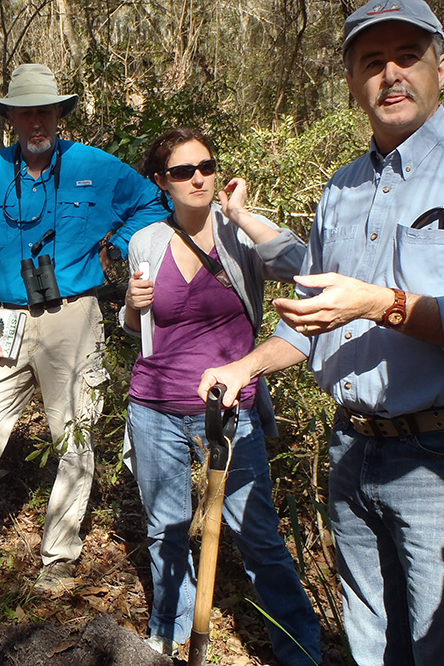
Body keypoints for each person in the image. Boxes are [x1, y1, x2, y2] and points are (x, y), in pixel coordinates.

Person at [199, 2, 444, 664]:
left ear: (441, 67)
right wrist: (245, 367)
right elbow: (312, 325)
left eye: (407, 55)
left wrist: (382, 304)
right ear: (353, 80)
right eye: (371, 60)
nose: (390, 73)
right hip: (351, 455)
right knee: (371, 649)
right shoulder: (344, 188)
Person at [0, 63, 167, 591]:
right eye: (26, 111)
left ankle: (59, 556)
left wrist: (119, 246)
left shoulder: (95, 166)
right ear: (12, 117)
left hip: (74, 315)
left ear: (59, 114)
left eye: (45, 110)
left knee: (74, 438)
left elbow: (153, 203)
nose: (36, 121)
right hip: (3, 320)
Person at [120, 128, 321, 664]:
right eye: (183, 171)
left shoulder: (240, 236)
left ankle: (300, 645)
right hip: (154, 406)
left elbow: (306, 266)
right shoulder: (146, 241)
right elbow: (134, 325)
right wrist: (133, 305)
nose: (199, 179)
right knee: (165, 528)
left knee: (255, 532)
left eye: (206, 166)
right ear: (162, 181)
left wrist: (242, 215)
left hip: (231, 409)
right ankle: (171, 630)